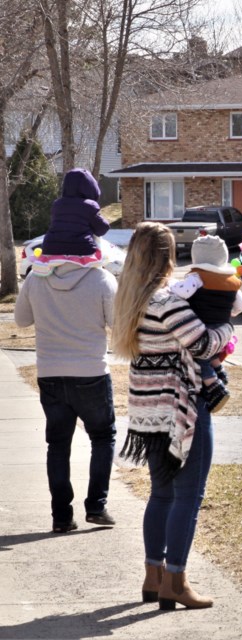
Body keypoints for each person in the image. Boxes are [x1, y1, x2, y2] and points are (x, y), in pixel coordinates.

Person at [112, 222, 234, 610]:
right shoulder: (166, 303)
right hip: (181, 410)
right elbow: (202, 343)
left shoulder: (130, 300)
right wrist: (229, 326)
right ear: (169, 257)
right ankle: (177, 582)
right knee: (189, 496)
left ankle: (153, 577)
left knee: (162, 494)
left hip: (147, 412)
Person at [14, 170, 118, 534]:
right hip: (90, 369)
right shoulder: (102, 279)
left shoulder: (35, 279)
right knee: (102, 437)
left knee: (57, 446)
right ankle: (97, 506)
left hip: (50, 371)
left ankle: (62, 516)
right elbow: (117, 325)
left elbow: (22, 321)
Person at [170, 235, 242, 413]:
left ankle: (214, 384)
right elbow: (240, 306)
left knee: (198, 353)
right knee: (210, 352)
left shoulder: (198, 277)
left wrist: (171, 285)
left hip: (202, 324)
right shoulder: (232, 281)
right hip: (222, 326)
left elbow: (184, 292)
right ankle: (219, 369)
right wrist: (228, 312)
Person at [35, 167, 111, 269]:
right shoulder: (89, 206)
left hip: (51, 248)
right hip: (81, 249)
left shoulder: (57, 204)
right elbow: (102, 229)